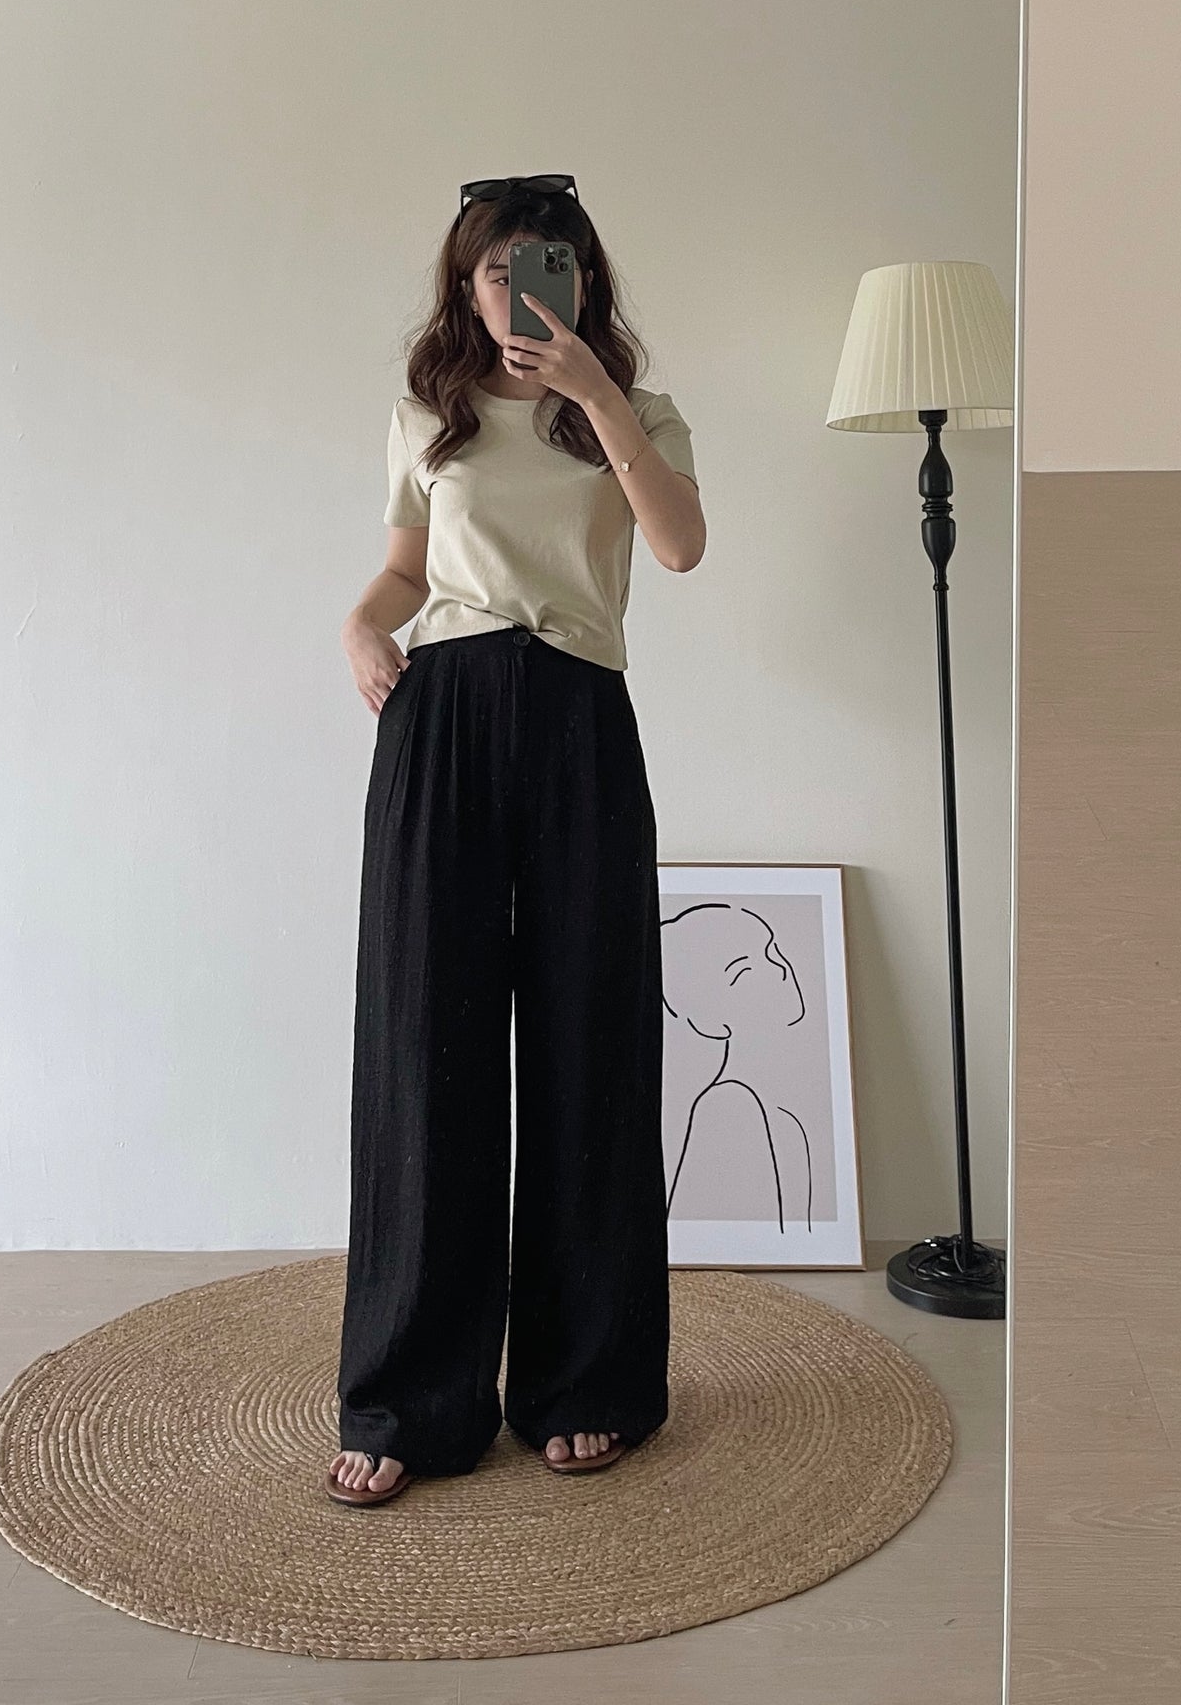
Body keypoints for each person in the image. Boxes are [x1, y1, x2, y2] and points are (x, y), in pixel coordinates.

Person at [325, 175, 706, 1506]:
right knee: (422, 1043)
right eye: (497, 270)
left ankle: (584, 1379)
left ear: (584, 280)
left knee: (590, 1036)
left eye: (548, 265)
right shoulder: (428, 415)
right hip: (441, 713)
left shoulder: (638, 413)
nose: (520, 290)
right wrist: (359, 628)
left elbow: (679, 548)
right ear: (466, 284)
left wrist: (599, 396)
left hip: (579, 718)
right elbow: (404, 572)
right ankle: (409, 1399)